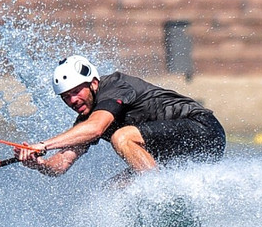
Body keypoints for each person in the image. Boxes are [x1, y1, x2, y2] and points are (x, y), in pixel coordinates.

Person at [14, 55, 227, 180]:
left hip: (202, 130)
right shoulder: (86, 121)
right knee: (114, 190)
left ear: (94, 84)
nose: (72, 101)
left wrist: (42, 144)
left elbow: (96, 129)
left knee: (121, 137)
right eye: (66, 97)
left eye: (76, 91)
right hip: (173, 154)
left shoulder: (114, 86)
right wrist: (37, 163)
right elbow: (60, 165)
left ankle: (162, 201)